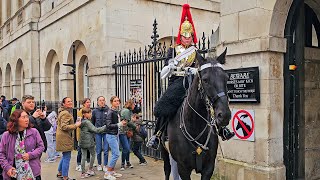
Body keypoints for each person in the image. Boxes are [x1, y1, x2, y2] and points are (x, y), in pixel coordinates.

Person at [147, 4, 234, 149]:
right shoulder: (173, 50)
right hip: (177, 82)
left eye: (189, 36)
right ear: (180, 36)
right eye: (184, 36)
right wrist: (171, 64)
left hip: (194, 81)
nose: (187, 39)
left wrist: (195, 71)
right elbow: (166, 67)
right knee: (165, 105)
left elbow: (202, 68)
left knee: (209, 100)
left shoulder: (196, 51)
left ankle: (222, 129)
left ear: (193, 36)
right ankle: (157, 135)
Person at [0, 109, 45, 180]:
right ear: (16, 120)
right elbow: (1, 154)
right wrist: (7, 167)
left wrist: (30, 155)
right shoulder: (6, 135)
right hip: (13, 173)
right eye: (23, 117)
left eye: (27, 117)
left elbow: (41, 147)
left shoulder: (34, 132)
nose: (27, 119)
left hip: (32, 171)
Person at [56, 97, 81, 180]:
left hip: (62, 137)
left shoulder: (62, 112)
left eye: (71, 101)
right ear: (63, 104)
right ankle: (65, 177)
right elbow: (64, 126)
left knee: (64, 156)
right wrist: (76, 125)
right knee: (67, 157)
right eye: (68, 102)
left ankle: (60, 172)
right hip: (64, 137)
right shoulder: (65, 113)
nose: (70, 103)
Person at [79, 107, 107, 178]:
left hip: (82, 141)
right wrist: (105, 126)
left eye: (90, 112)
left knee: (83, 156)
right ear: (84, 114)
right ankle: (90, 169)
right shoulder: (87, 122)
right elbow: (96, 130)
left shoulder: (81, 121)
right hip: (89, 142)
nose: (90, 114)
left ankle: (82, 173)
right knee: (93, 154)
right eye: (89, 113)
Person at [104, 96, 127, 180]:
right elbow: (108, 125)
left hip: (115, 134)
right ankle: (107, 173)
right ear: (111, 102)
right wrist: (119, 124)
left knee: (115, 154)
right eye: (115, 101)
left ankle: (111, 171)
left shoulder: (116, 111)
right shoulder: (110, 112)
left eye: (118, 101)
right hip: (111, 135)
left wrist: (121, 123)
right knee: (116, 154)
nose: (117, 102)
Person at [91, 96, 109, 171]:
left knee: (106, 149)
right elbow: (93, 121)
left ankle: (105, 164)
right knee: (98, 149)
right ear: (98, 102)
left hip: (106, 132)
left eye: (103, 100)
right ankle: (99, 164)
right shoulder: (95, 111)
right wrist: (94, 131)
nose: (102, 102)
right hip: (98, 132)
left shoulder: (108, 110)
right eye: (100, 100)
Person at [119, 100, 137, 170]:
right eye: (133, 104)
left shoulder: (127, 111)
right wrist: (135, 127)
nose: (134, 106)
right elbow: (127, 121)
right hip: (123, 132)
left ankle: (128, 162)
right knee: (126, 148)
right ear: (130, 105)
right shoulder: (126, 111)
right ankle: (123, 164)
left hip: (126, 131)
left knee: (127, 148)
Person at [76, 98, 92, 172]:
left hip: (88, 133)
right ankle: (78, 164)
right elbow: (79, 122)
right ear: (84, 104)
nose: (89, 103)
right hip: (81, 133)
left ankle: (88, 162)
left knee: (88, 148)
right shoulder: (81, 111)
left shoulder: (90, 111)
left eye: (89, 102)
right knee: (80, 149)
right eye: (87, 102)